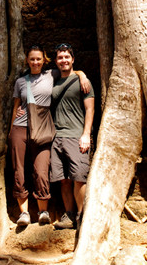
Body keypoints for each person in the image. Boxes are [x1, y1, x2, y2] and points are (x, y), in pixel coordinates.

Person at [9, 45, 89, 227]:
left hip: (43, 129)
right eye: (32, 59)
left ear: (44, 60)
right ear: (27, 61)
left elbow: (69, 70)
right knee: (18, 170)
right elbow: (16, 106)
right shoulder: (21, 82)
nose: (35, 62)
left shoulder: (51, 75)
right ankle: (24, 214)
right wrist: (10, 128)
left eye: (38, 59)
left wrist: (82, 75)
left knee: (42, 169)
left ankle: (43, 210)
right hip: (20, 128)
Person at [50, 43, 95, 230]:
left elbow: (90, 108)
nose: (64, 60)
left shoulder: (82, 81)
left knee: (79, 177)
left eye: (67, 57)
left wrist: (86, 134)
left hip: (76, 136)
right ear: (56, 61)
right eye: (60, 57)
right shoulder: (51, 80)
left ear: (73, 59)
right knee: (64, 179)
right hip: (56, 136)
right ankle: (69, 215)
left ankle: (81, 216)